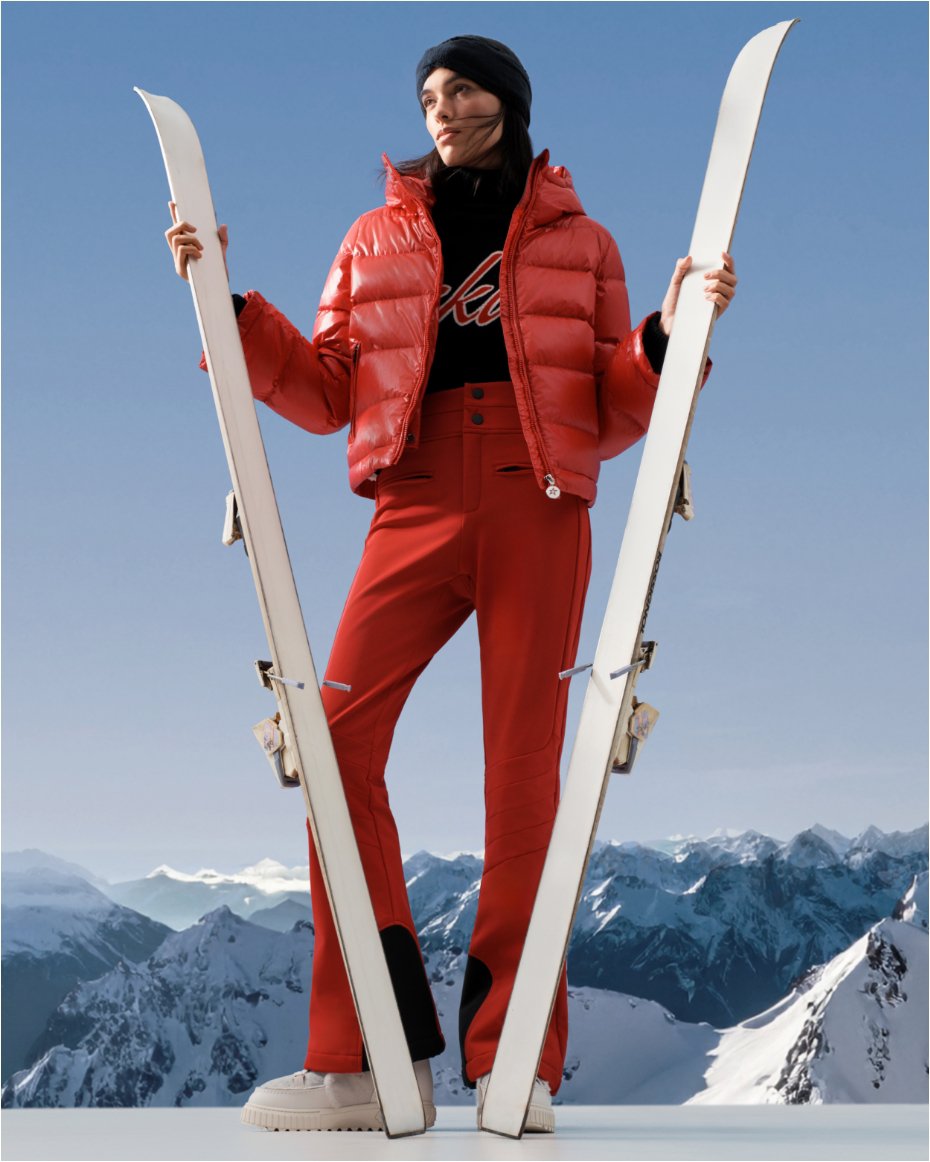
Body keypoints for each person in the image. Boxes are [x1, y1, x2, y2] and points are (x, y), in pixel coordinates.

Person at [167, 34, 737, 1134]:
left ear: (509, 105)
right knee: (331, 745)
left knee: (523, 780)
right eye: (428, 93)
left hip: (538, 498)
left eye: (462, 89)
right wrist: (226, 308)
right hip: (414, 493)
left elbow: (614, 408)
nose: (441, 107)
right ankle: (367, 1055)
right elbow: (329, 390)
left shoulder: (584, 241)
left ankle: (515, 1058)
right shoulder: (373, 236)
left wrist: (672, 333)